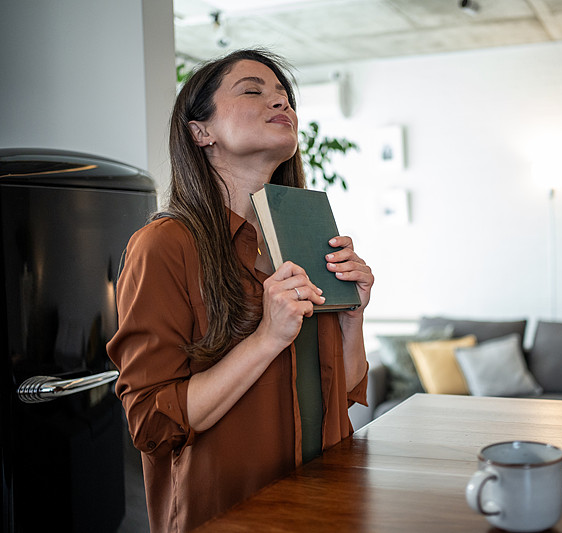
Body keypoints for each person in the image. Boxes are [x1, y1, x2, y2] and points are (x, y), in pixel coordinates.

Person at [107, 48, 372, 533]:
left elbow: (343, 394)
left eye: (285, 97)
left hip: (328, 505)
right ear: (200, 131)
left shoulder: (308, 237)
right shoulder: (163, 246)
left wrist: (352, 318)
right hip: (229, 516)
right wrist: (267, 338)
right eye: (254, 90)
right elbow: (152, 423)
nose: (281, 103)